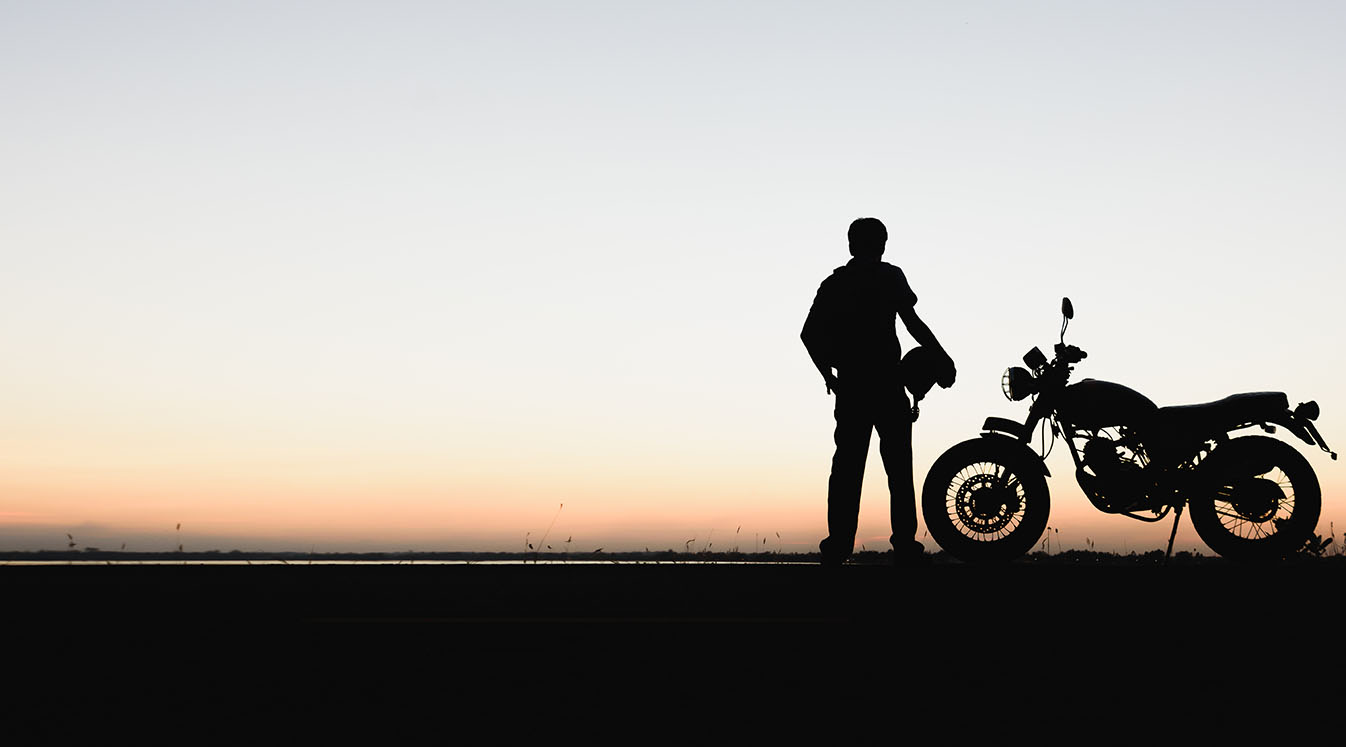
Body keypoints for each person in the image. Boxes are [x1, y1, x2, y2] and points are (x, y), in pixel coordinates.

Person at [801, 217, 955, 566]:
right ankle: (905, 545)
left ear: (851, 245)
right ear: (883, 245)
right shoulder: (891, 277)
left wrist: (829, 374)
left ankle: (839, 546)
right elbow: (912, 322)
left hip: (853, 386)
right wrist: (942, 357)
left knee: (846, 469)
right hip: (888, 384)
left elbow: (809, 334)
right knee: (899, 468)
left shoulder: (835, 283)